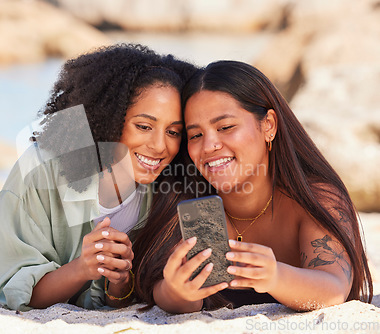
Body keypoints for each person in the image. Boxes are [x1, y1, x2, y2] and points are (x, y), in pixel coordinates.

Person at [0, 44, 197, 311]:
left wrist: (118, 283)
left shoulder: (169, 188)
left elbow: (115, 297)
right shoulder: (41, 167)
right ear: (110, 116)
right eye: (143, 126)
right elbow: (19, 295)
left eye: (174, 132)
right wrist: (83, 268)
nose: (159, 146)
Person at [132, 60, 373, 313]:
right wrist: (178, 292)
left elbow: (334, 288)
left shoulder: (316, 199)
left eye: (225, 127)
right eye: (195, 135)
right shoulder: (189, 201)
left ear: (268, 125)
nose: (209, 145)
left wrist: (275, 276)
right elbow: (162, 291)